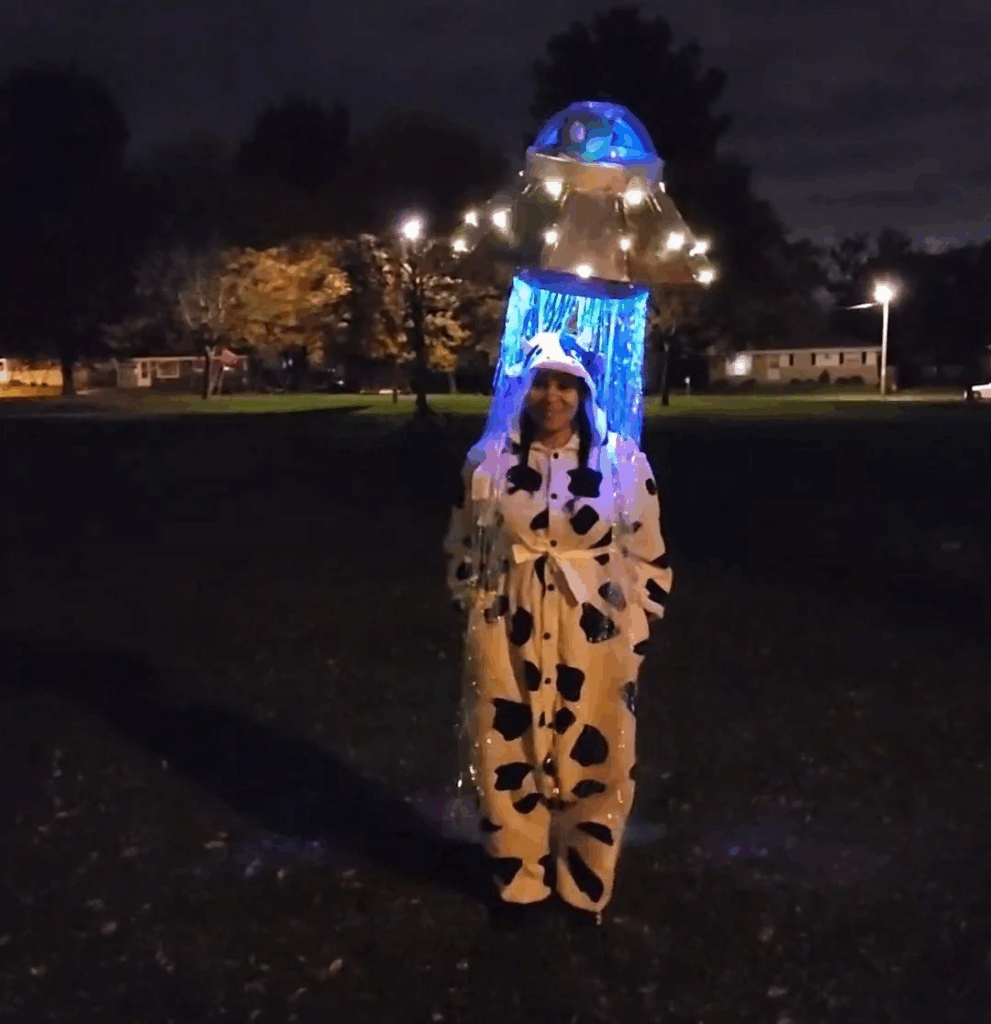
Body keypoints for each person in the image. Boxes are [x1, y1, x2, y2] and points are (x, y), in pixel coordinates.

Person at [443, 329, 673, 928]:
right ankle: (519, 883)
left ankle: (585, 882)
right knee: (507, 755)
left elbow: (649, 556)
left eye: (565, 385)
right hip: (507, 627)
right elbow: (464, 545)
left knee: (597, 756)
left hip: (592, 633)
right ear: (524, 389)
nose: (553, 397)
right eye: (542, 383)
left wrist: (636, 633)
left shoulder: (622, 463)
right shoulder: (488, 463)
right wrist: (477, 609)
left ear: (584, 391)